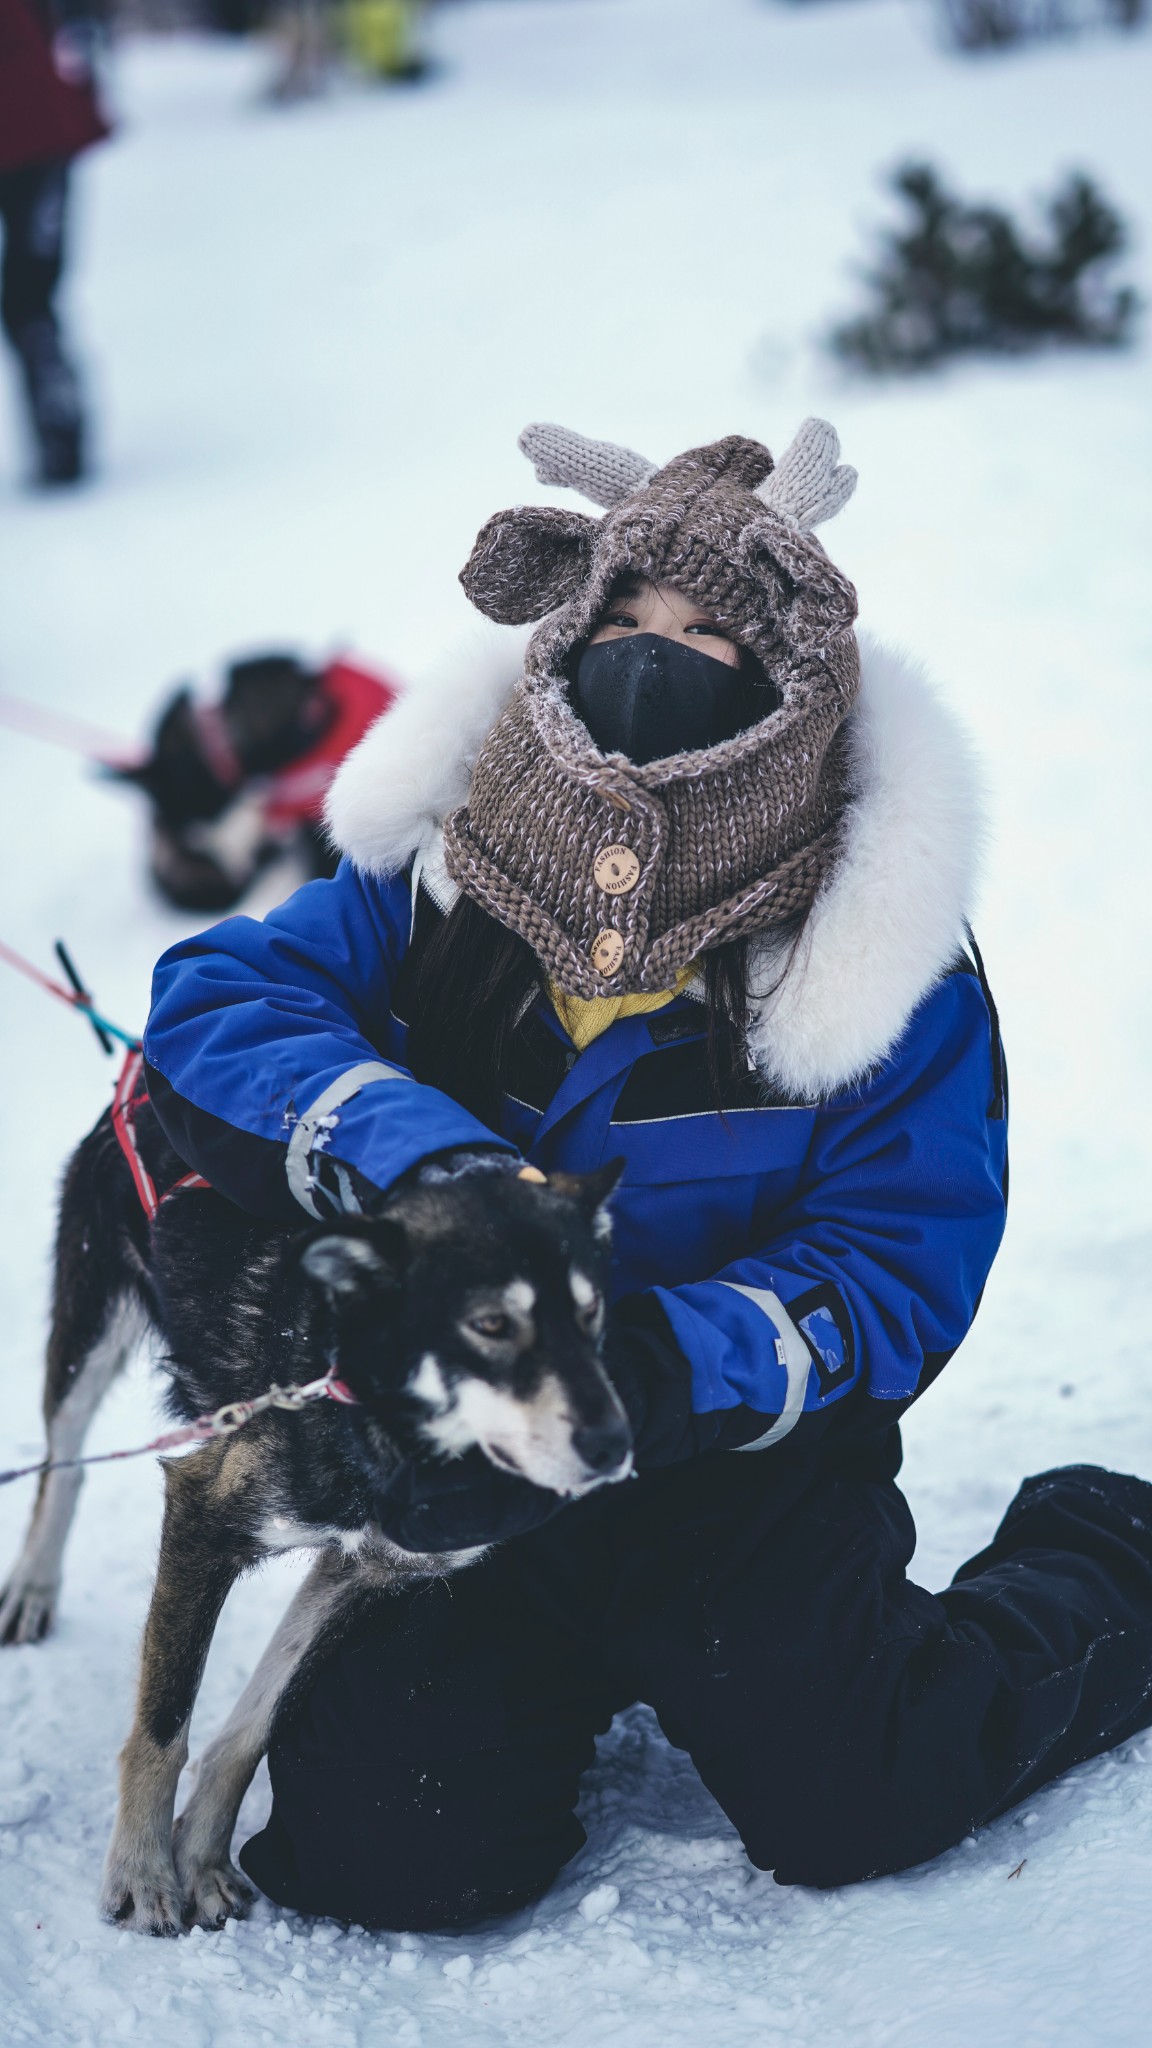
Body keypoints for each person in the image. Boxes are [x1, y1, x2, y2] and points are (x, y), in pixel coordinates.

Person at [142, 420, 1152, 1929]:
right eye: (620, 619)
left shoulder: (877, 958)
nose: (650, 654)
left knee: (858, 1796)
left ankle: (1105, 1553)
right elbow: (222, 1001)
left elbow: (900, 1262)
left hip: (739, 1469)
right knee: (384, 1862)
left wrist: (672, 1358)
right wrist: (428, 1155)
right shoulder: (445, 864)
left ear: (797, 684)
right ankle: (575, 1675)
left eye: (705, 634)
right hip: (478, 1447)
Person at [0, 0, 109, 485]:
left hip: (38, 129)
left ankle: (59, 427)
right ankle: (58, 425)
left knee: (30, 296)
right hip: (43, 130)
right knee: (32, 296)